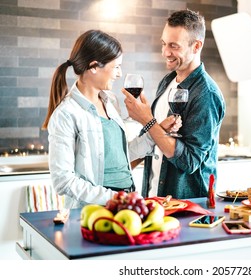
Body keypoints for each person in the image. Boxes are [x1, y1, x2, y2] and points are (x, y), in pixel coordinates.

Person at [42, 29, 180, 208]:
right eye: (115, 67)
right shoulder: (66, 114)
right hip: (94, 210)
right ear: (93, 67)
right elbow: (63, 181)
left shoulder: (110, 101)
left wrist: (157, 130)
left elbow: (120, 157)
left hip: (127, 201)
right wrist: (113, 198)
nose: (119, 74)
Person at [122, 9, 226, 199]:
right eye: (163, 44)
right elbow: (153, 140)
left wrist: (147, 120)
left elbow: (190, 161)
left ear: (196, 46)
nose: (165, 52)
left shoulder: (206, 94)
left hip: (188, 206)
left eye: (173, 46)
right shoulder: (167, 81)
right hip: (154, 198)